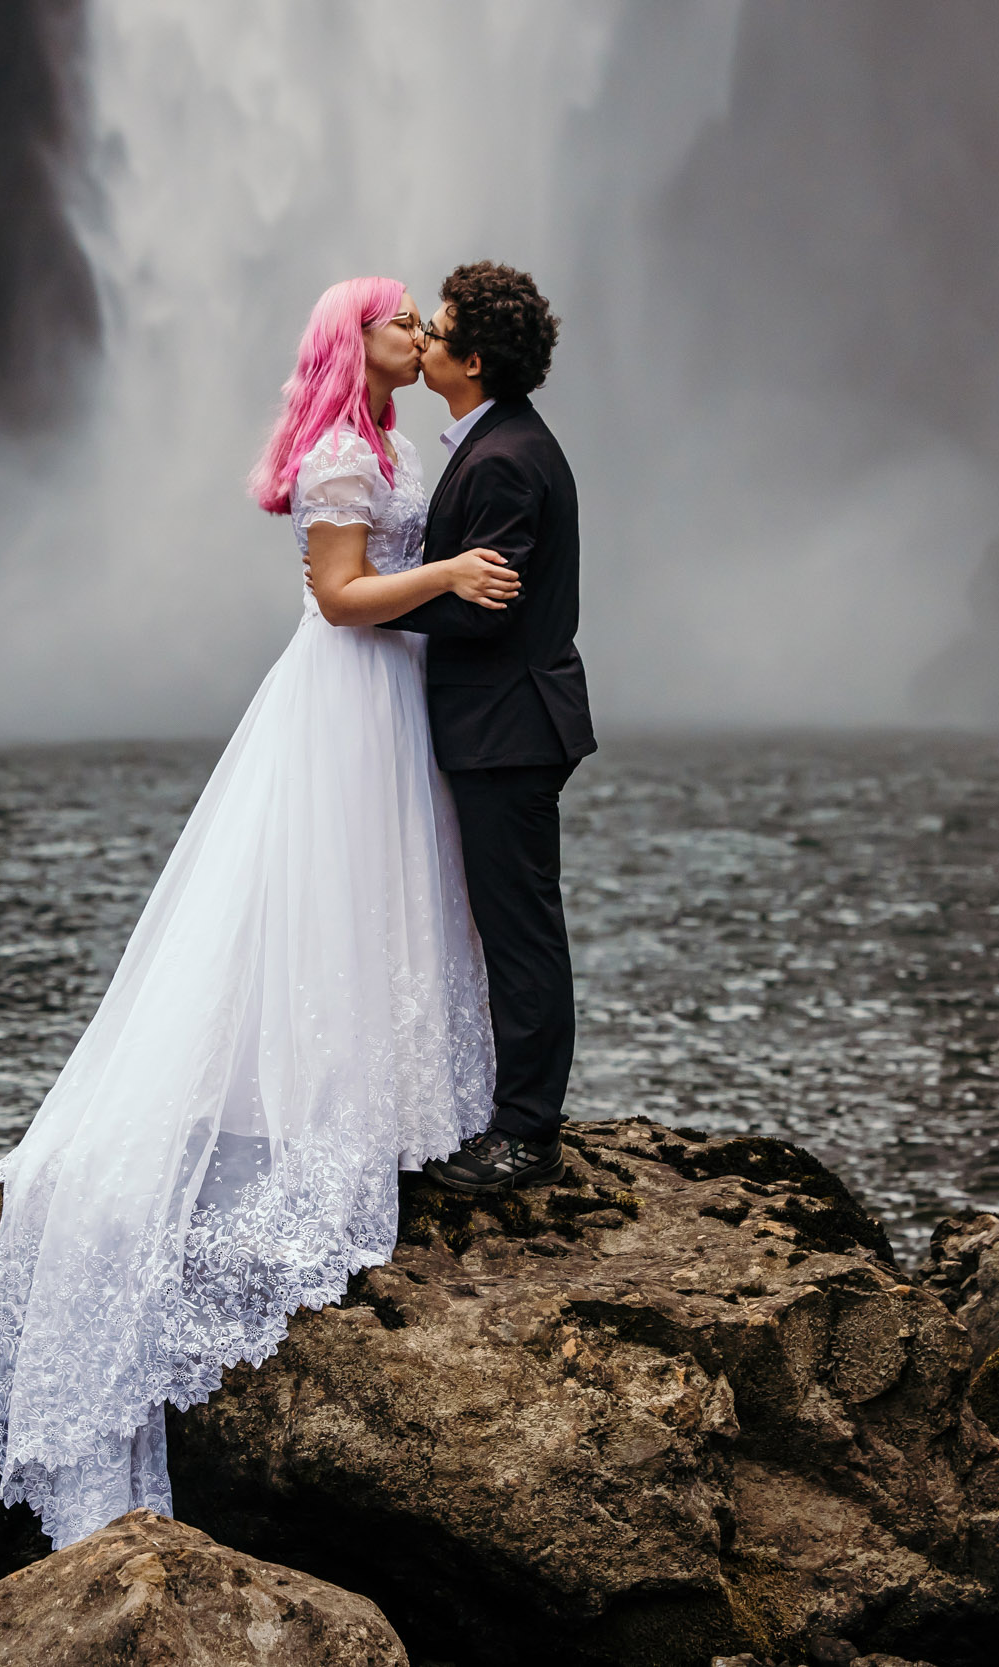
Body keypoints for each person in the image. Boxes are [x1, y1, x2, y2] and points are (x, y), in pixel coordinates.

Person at [0, 277, 520, 1548]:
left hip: (390, 692)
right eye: (397, 321)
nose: (416, 335)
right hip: (346, 689)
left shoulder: (387, 440)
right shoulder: (341, 448)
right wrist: (445, 570)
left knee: (380, 892)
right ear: (354, 342)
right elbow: (338, 595)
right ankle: (326, 1095)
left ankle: (387, 1089)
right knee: (325, 892)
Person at [379, 261, 596, 1196]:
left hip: (508, 727)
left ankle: (527, 1135)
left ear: (469, 359)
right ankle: (510, 1114)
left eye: (437, 330)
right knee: (508, 924)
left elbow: (488, 604)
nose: (420, 338)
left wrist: (366, 607)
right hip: (503, 722)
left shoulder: (505, 457)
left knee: (519, 931)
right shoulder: (496, 439)